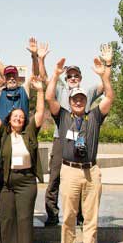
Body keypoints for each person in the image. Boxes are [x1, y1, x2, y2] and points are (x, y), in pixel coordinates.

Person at [45, 46, 115, 243]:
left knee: (91, 217)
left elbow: (110, 97)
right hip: (70, 171)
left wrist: (104, 73)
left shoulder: (93, 117)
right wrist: (55, 74)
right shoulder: (64, 117)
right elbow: (48, 97)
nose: (77, 101)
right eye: (74, 99)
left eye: (81, 99)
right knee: (69, 217)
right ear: (71, 101)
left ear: (86, 100)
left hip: (91, 171)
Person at [0, 74, 46, 243]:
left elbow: (39, 113)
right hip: (6, 181)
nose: (19, 119)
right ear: (10, 120)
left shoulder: (29, 131)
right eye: (15, 117)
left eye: (21, 117)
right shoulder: (3, 133)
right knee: (7, 218)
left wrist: (40, 91)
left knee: (24, 218)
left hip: (26, 181)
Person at [43, 53, 107, 227]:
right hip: (60, 139)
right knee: (55, 177)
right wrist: (41, 60)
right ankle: (52, 214)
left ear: (80, 77)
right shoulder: (60, 90)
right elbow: (46, 86)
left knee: (82, 177)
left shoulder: (87, 92)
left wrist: (107, 66)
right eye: (69, 75)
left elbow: (105, 87)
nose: (72, 78)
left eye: (76, 75)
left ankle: (79, 216)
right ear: (66, 77)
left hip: (82, 139)